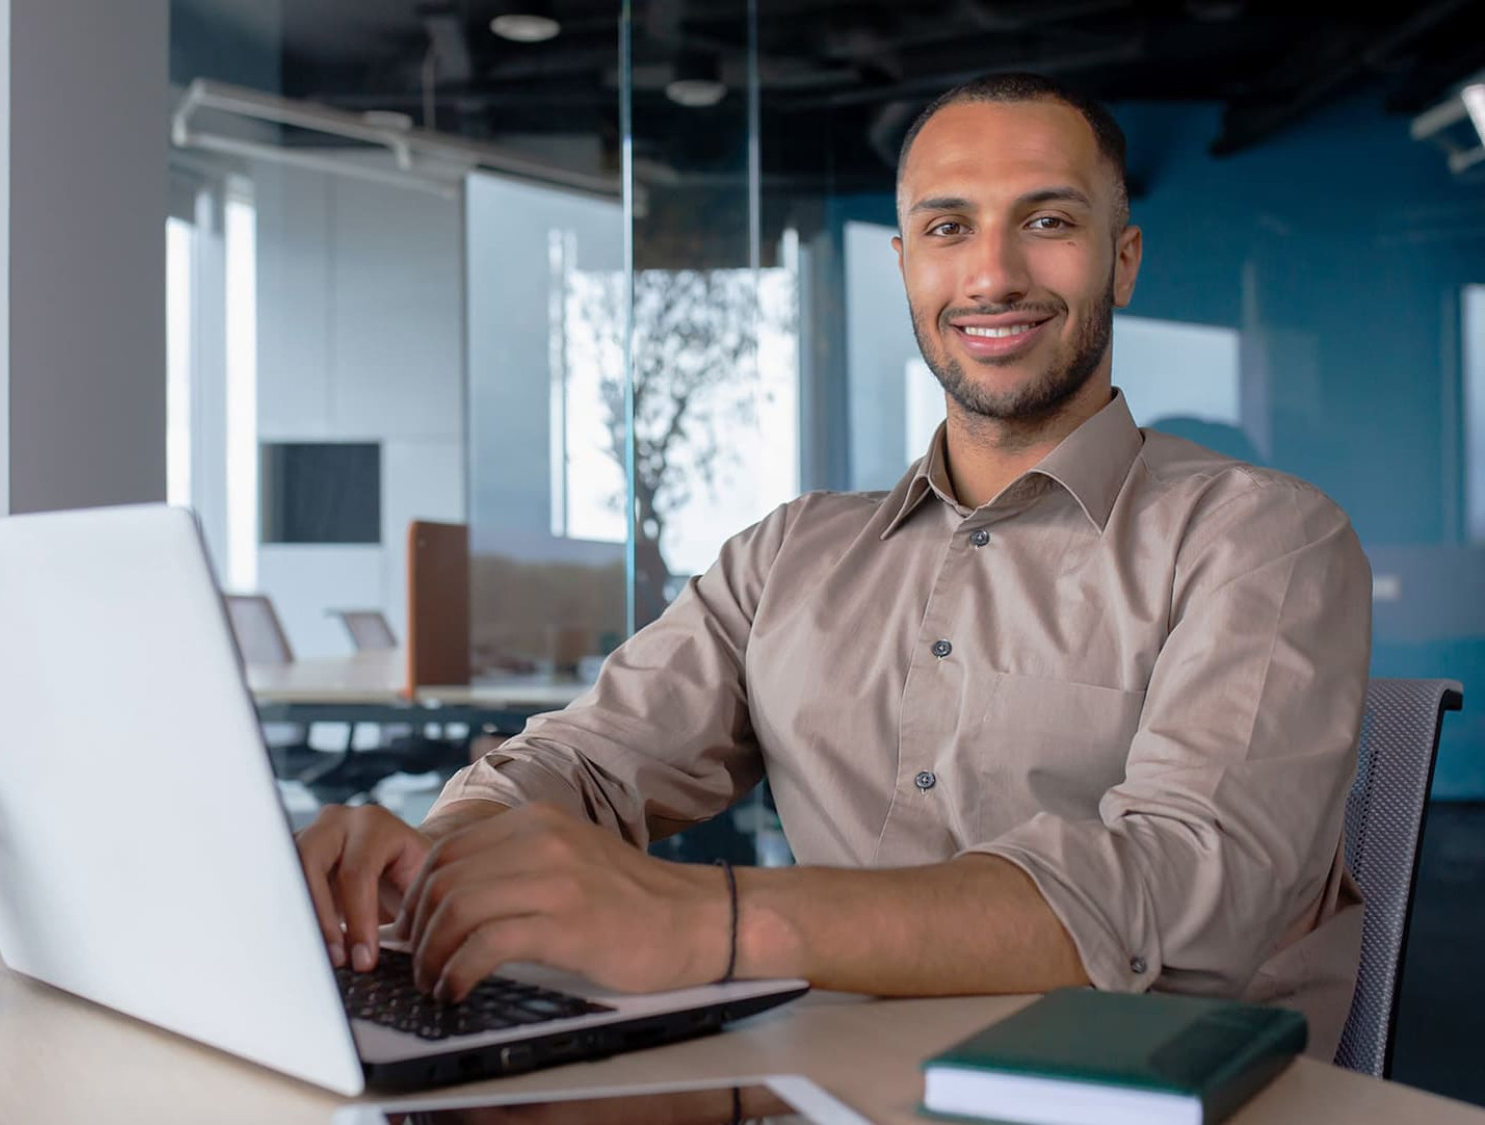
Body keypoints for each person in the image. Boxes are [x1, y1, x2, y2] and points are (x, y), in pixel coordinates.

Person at [295, 72, 1371, 1059]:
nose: (991, 273)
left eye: (1045, 221)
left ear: (1119, 259)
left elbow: (1180, 890)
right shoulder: (789, 552)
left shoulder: (1260, 541)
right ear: (904, 262)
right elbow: (587, 764)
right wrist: (437, 857)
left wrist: (709, 922)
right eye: (947, 228)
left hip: (1138, 1093)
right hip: (832, 1078)